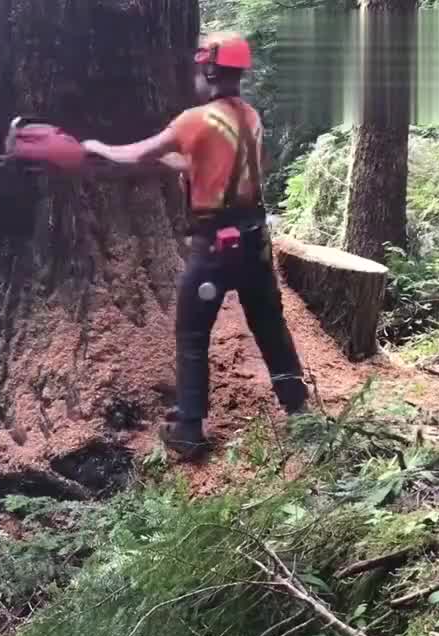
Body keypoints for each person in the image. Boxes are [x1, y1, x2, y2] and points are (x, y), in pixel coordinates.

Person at [81, 32, 307, 460]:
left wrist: (98, 148)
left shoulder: (195, 120)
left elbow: (137, 153)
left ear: (208, 71)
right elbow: (212, 162)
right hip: (255, 240)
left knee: (191, 331)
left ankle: (188, 427)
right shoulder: (250, 118)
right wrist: (167, 162)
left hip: (215, 246)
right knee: (270, 326)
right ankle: (300, 412)